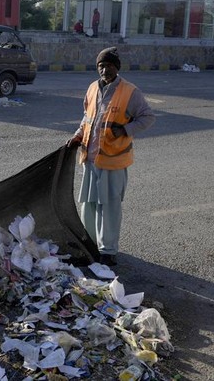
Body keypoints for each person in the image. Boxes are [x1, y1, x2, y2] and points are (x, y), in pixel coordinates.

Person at [66, 47, 155, 267]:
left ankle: (108, 251)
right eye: (101, 66)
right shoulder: (92, 88)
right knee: (89, 204)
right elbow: (87, 118)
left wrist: (125, 130)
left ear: (117, 67)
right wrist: (77, 136)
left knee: (110, 206)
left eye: (109, 65)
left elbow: (148, 117)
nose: (105, 69)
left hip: (113, 160)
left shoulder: (129, 91)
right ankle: (91, 244)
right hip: (90, 157)